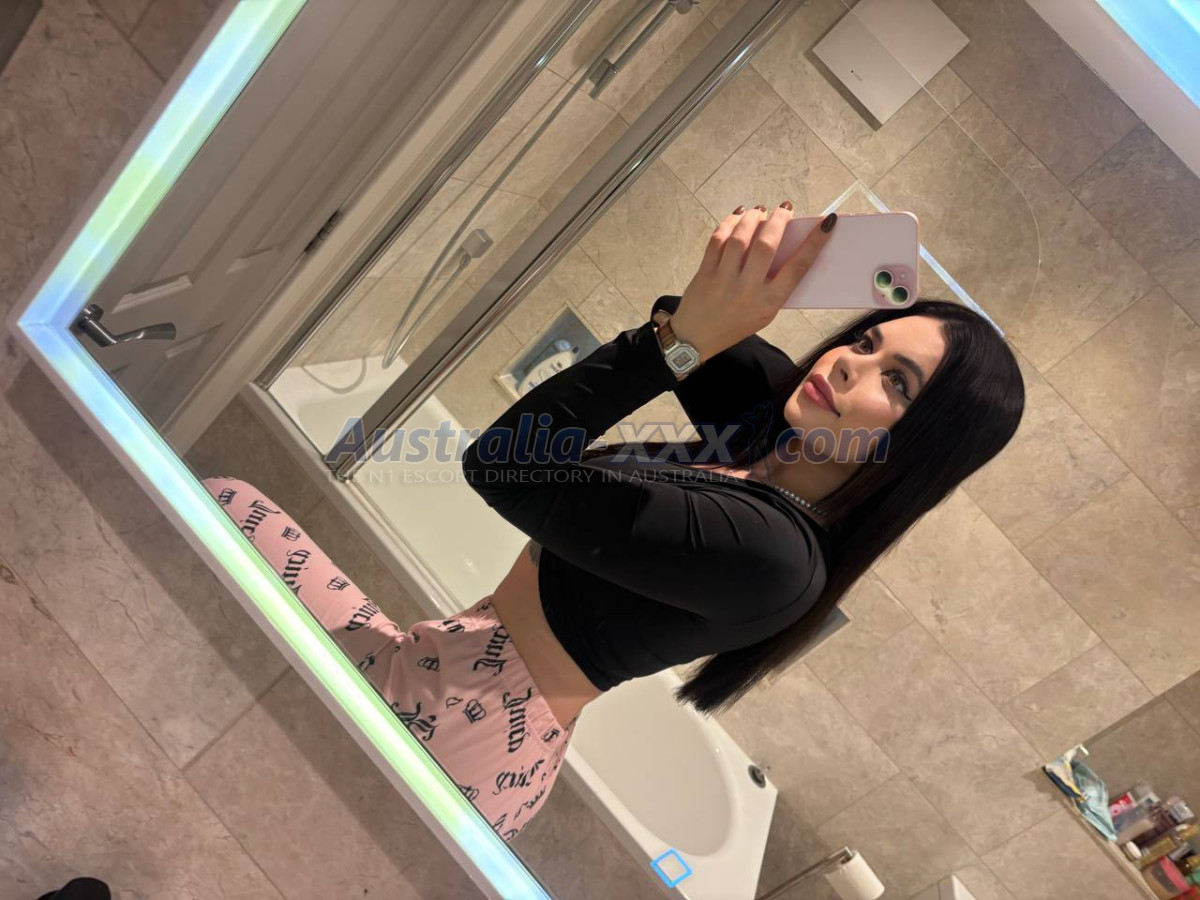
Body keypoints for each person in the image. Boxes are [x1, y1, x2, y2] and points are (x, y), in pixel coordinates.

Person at [199, 201, 1024, 847]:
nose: (849, 363)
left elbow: (505, 465)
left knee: (227, 509)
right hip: (450, 668)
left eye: (897, 383)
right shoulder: (763, 436)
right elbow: (686, 318)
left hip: (464, 731)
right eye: (866, 340)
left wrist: (683, 338)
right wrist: (782, 269)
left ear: (921, 450)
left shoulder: (776, 555)